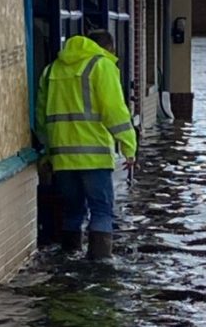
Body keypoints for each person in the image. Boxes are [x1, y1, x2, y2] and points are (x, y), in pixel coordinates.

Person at [36, 30, 137, 259]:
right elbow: (115, 111)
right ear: (108, 48)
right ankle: (99, 265)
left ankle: (69, 256)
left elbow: (41, 117)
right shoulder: (101, 66)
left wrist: (47, 153)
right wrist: (129, 147)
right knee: (101, 211)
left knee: (72, 212)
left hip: (62, 158)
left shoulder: (51, 70)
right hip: (95, 156)